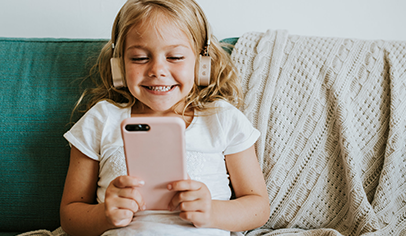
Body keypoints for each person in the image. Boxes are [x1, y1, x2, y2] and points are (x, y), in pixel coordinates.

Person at [60, 0, 269, 235]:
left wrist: (212, 211)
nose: (157, 70)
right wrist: (105, 215)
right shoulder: (101, 119)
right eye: (139, 58)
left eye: (175, 57)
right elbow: (70, 216)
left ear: (201, 63)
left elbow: (258, 206)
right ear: (118, 65)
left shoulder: (222, 118)